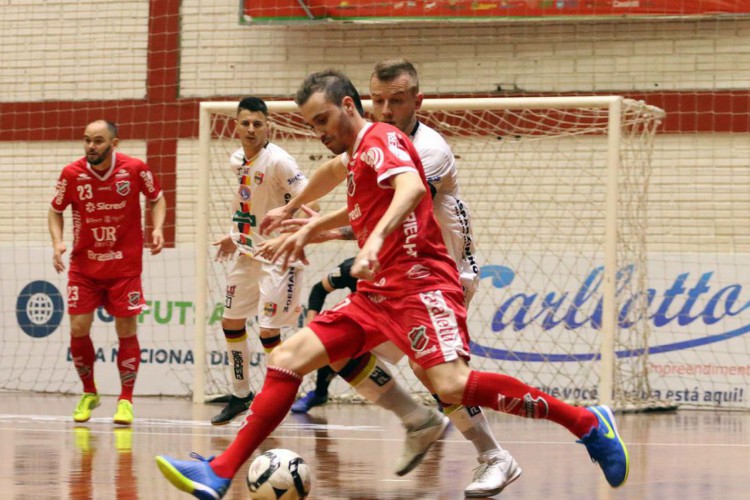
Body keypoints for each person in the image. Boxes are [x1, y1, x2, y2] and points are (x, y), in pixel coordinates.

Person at [155, 70, 630, 499]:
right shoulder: (357, 152)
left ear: (348, 106)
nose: (319, 133)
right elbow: (333, 174)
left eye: (323, 120)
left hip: (421, 286)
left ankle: (586, 422)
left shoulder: (380, 138)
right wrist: (298, 214)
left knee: (451, 384)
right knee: (289, 357)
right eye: (311, 125)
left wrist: (372, 241)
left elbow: (412, 188)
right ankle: (220, 471)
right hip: (378, 295)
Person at [274, 59, 518, 497]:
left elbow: (390, 207)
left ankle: (494, 454)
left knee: (435, 375)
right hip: (397, 276)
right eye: (378, 100)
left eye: (397, 101)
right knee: (338, 350)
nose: (386, 110)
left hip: (443, 271)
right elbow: (336, 172)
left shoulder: (429, 150)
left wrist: (320, 230)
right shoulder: (374, 139)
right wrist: (293, 210)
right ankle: (419, 420)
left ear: (417, 102)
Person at [48, 120, 166, 425]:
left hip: (124, 267)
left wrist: (157, 228)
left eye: (98, 141)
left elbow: (157, 198)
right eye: (87, 140)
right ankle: (90, 392)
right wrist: (58, 242)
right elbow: (55, 210)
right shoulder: (71, 174)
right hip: (84, 267)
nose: (91, 146)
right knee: (78, 327)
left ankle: (125, 400)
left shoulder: (135, 169)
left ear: (114, 144)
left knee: (126, 330)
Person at [208, 96, 312, 425]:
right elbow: (250, 205)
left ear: (268, 126)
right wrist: (233, 234)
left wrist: (290, 236)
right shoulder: (237, 159)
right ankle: (241, 394)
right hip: (248, 252)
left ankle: (274, 399)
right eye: (246, 123)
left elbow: (313, 205)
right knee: (231, 322)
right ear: (236, 126)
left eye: (257, 123)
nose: (251, 129)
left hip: (279, 256)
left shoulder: (280, 161)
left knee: (268, 330)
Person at [290, 256, 357, 413]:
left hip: (400, 321)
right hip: (367, 322)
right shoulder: (351, 267)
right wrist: (311, 325)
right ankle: (320, 393)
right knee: (331, 342)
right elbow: (318, 290)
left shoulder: (404, 269)